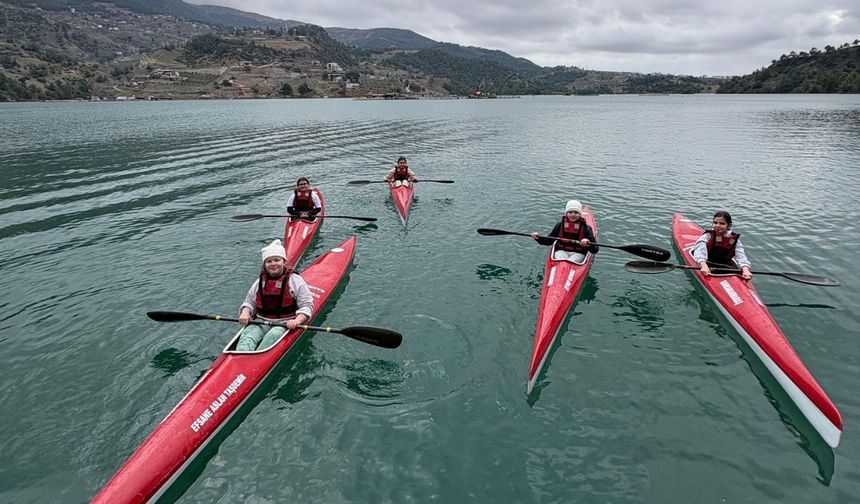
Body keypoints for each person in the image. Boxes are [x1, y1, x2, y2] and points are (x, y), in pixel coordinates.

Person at [236, 239, 314, 351]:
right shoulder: (259, 282)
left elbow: (306, 305)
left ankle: (258, 361)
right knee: (247, 335)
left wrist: (297, 321)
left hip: (284, 323)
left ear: (283, 261)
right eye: (269, 261)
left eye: (277, 260)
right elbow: (249, 302)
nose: (273, 264)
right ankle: (241, 358)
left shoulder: (295, 281)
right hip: (261, 321)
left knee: (272, 336)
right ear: (265, 264)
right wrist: (245, 312)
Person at [530, 200, 598, 263]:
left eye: (576, 212)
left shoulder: (586, 228)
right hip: (561, 251)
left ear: (580, 214)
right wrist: (538, 238)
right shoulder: (560, 225)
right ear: (566, 213)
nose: (573, 215)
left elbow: (595, 249)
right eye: (570, 212)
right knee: (561, 259)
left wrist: (588, 244)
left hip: (579, 253)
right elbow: (548, 241)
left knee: (572, 260)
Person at [691, 210, 752, 279]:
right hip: (706, 263)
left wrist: (745, 269)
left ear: (729, 226)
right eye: (715, 223)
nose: (717, 225)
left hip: (725, 266)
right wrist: (703, 265)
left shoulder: (735, 240)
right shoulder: (707, 236)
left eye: (722, 223)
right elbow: (700, 251)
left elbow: (741, 256)